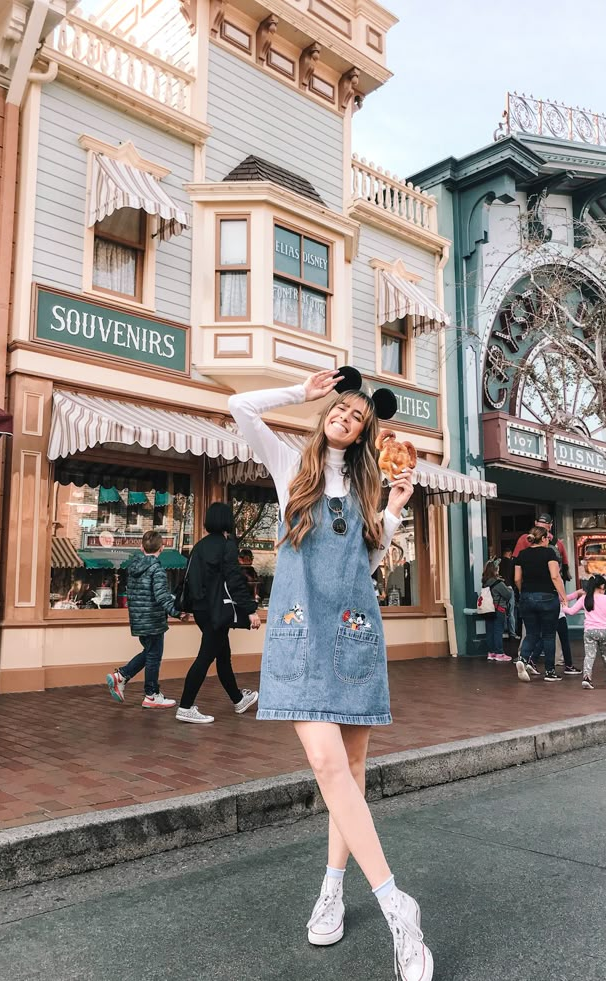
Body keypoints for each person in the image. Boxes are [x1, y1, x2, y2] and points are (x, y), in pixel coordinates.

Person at [230, 369, 433, 981]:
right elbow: (239, 404)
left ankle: (332, 888)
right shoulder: (291, 464)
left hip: (352, 632)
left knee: (350, 773)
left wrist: (394, 512)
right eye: (341, 408)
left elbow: (366, 562)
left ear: (366, 432)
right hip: (299, 633)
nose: (346, 417)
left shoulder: (370, 487)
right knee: (325, 765)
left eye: (357, 416)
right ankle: (398, 905)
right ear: (327, 414)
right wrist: (304, 389)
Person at [176, 503, 261, 723]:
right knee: (205, 657)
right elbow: (234, 579)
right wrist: (250, 610)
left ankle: (238, 699)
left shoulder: (200, 546)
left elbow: (188, 579)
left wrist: (184, 608)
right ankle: (185, 707)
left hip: (202, 610)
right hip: (217, 610)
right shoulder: (227, 545)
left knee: (222, 655)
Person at [106, 530, 182, 708]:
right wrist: (178, 612)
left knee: (149, 653)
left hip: (138, 619)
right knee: (154, 656)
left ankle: (122, 676)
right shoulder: (157, 570)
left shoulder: (133, 569)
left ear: (141, 547)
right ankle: (151, 694)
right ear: (162, 548)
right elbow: (162, 597)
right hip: (154, 620)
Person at [513, 525, 569, 683]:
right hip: (547, 597)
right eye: (547, 539)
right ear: (544, 539)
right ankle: (550, 671)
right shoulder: (549, 552)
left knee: (531, 633)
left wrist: (524, 592)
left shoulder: (522, 555)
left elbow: (517, 578)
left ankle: (523, 659)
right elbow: (555, 576)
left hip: (526, 597)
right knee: (549, 635)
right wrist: (563, 596)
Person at [562, 575, 606, 689]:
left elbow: (571, 611)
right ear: (602, 586)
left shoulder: (585, 598)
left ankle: (587, 678)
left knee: (589, 656)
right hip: (605, 632)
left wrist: (564, 607)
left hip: (589, 632)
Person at [481, 559, 513, 662]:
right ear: (494, 570)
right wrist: (509, 589)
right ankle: (499, 653)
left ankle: (491, 653)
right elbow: (507, 595)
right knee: (498, 631)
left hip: (487, 609)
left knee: (490, 631)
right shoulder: (498, 583)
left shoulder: (485, 583)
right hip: (498, 609)